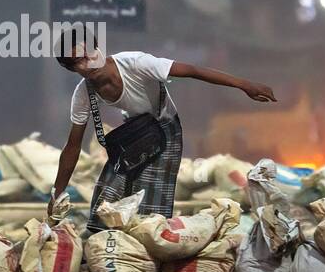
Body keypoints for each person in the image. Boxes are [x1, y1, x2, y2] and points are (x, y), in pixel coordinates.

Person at [50, 34, 276, 233]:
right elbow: (72, 147)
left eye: (89, 53)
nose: (89, 62)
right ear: (72, 69)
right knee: (106, 199)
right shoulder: (83, 94)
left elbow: (192, 71)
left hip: (165, 130)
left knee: (151, 209)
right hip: (136, 132)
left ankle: (154, 248)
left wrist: (245, 85)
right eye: (78, 61)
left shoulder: (135, 63)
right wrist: (56, 195)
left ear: (98, 48)